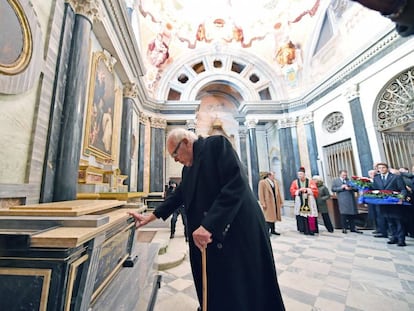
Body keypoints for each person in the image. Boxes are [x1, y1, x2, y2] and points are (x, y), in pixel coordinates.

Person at [128, 128, 285, 311]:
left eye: (175, 154)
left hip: (238, 230)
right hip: (212, 236)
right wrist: (151, 216)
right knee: (217, 283)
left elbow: (235, 185)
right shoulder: (188, 170)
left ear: (186, 142)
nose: (175, 159)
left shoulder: (217, 145)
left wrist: (209, 224)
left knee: (242, 284)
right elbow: (178, 196)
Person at [372, 162, 408, 246]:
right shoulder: (376, 178)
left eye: (383, 167)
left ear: (387, 168)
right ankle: (393, 237)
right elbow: (374, 189)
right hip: (384, 204)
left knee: (398, 221)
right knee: (389, 221)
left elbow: (403, 189)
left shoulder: (396, 177)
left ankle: (401, 239)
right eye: (379, 168)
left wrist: (401, 198)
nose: (381, 169)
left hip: (395, 203)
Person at [332, 170, 363, 234]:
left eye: (345, 175)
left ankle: (353, 227)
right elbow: (333, 189)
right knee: (344, 214)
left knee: (352, 214)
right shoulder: (336, 181)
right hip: (342, 199)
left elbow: (356, 188)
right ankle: (344, 228)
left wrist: (351, 188)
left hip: (350, 199)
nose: (344, 176)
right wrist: (341, 187)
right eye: (343, 175)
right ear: (340, 175)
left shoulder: (349, 180)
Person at [290, 166, 319, 235]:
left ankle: (311, 230)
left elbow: (315, 190)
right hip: (300, 201)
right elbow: (292, 190)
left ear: (304, 174)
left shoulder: (310, 181)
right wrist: (299, 190)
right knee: (302, 215)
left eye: (301, 174)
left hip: (309, 200)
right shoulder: (295, 182)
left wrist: (308, 190)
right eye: (298, 174)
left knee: (310, 215)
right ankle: (303, 229)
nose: (299, 176)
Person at [258, 171, 284, 236]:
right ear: (269, 176)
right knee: (268, 218)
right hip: (268, 202)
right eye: (273, 175)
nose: (274, 176)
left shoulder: (275, 182)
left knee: (274, 217)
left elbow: (278, 193)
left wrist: (280, 202)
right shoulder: (263, 182)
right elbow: (261, 193)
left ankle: (273, 230)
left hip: (275, 201)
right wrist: (263, 203)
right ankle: (266, 231)